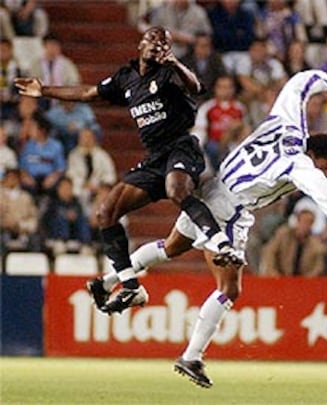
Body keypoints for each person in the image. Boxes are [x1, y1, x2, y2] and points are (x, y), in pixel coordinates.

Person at [86, 61, 327, 388]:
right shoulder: (301, 165)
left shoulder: (286, 121)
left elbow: (299, 84)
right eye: (326, 166)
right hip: (229, 211)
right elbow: (320, 187)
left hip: (212, 189)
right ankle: (192, 356)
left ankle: (106, 281)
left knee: (171, 247)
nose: (325, 172)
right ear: (314, 156)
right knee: (229, 288)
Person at [15, 26, 240, 313]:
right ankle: (131, 286)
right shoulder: (126, 78)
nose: (157, 45)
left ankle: (221, 244)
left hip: (181, 147)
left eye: (164, 42)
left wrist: (176, 64)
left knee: (176, 190)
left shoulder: (170, 73)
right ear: (141, 44)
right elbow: (87, 92)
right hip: (155, 158)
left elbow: (196, 87)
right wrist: (43, 90)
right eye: (153, 39)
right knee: (105, 212)